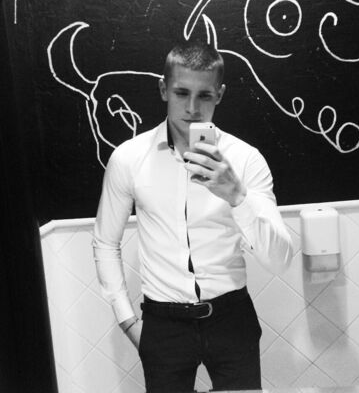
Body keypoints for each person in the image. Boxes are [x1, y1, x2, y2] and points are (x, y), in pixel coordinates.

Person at [93, 39, 293, 393]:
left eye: (204, 95)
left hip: (231, 318)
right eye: (181, 92)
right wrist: (128, 321)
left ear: (220, 95)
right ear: (163, 90)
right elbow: (106, 242)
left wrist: (237, 197)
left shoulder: (245, 160)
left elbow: (280, 260)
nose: (192, 107)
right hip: (163, 323)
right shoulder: (129, 158)